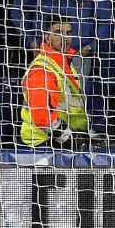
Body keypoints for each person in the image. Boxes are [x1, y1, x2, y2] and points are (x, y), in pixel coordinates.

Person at [20, 18, 88, 146]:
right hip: (43, 145)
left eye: (68, 33)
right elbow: (43, 119)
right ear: (47, 37)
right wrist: (72, 140)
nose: (65, 38)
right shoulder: (41, 70)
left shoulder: (67, 64)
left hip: (63, 140)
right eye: (58, 32)